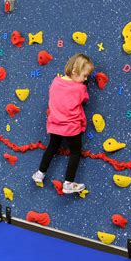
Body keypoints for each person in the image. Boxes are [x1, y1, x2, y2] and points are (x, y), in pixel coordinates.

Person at [31, 53, 94, 194]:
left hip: (55, 125)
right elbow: (85, 99)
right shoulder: (80, 88)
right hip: (71, 127)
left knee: (52, 148)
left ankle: (40, 173)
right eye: (84, 75)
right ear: (74, 71)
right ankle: (68, 183)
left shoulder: (55, 82)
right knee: (76, 152)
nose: (85, 79)